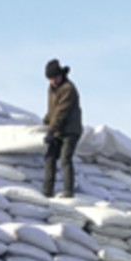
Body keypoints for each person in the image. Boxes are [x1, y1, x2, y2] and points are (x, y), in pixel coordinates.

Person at [42, 58, 83, 198]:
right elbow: (53, 109)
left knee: (65, 158)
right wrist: (46, 120)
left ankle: (68, 191)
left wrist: (52, 130)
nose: (53, 81)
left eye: (55, 77)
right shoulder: (52, 88)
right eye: (50, 79)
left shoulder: (68, 89)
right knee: (50, 157)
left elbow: (61, 112)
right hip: (58, 128)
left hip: (70, 130)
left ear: (61, 75)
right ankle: (47, 190)